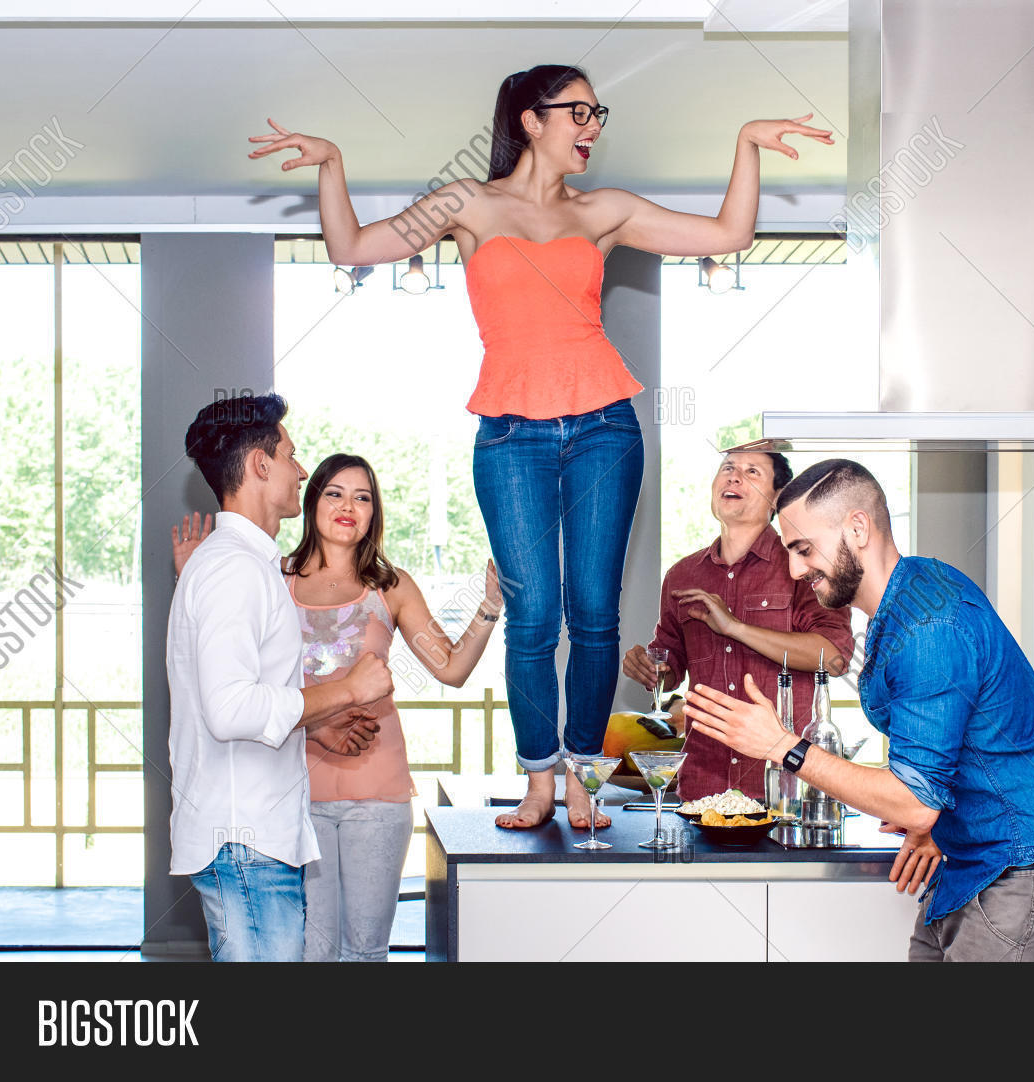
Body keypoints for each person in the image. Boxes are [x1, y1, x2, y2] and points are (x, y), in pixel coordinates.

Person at [248, 64, 833, 831]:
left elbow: (730, 234)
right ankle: (537, 780)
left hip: (603, 429)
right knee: (534, 616)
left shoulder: (604, 212)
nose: (593, 126)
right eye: (579, 112)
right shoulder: (468, 203)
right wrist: (332, 165)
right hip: (510, 435)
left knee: (594, 614)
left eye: (598, 113)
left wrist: (748, 143)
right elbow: (351, 247)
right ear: (530, 119)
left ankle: (582, 775)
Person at [685, 459, 1034, 962]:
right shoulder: (912, 591)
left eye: (802, 549)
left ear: (857, 528)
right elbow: (936, 772)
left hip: (1023, 872)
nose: (795, 570)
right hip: (971, 867)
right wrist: (932, 822)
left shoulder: (928, 628)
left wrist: (783, 746)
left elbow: (913, 800)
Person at [173, 453, 505, 961]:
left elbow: (452, 669)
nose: (348, 506)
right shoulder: (270, 576)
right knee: (312, 952)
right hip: (288, 797)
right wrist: (193, 576)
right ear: (312, 503)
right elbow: (232, 679)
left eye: (362, 496)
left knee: (366, 951)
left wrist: (488, 608)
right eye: (334, 493)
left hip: (377, 794)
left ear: (374, 513)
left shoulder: (390, 586)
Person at [168, 394, 392, 962]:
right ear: (259, 466)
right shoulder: (234, 569)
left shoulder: (245, 565)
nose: (300, 471)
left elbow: (239, 696)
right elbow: (229, 710)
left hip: (253, 840)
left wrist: (314, 728)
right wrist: (349, 689)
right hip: (245, 845)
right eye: (290, 456)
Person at [621, 450, 853, 800]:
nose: (734, 477)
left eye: (752, 472)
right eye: (728, 468)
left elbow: (834, 658)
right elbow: (670, 673)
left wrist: (736, 627)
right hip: (702, 788)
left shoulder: (806, 567)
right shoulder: (682, 576)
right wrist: (649, 670)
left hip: (783, 788)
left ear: (777, 497)